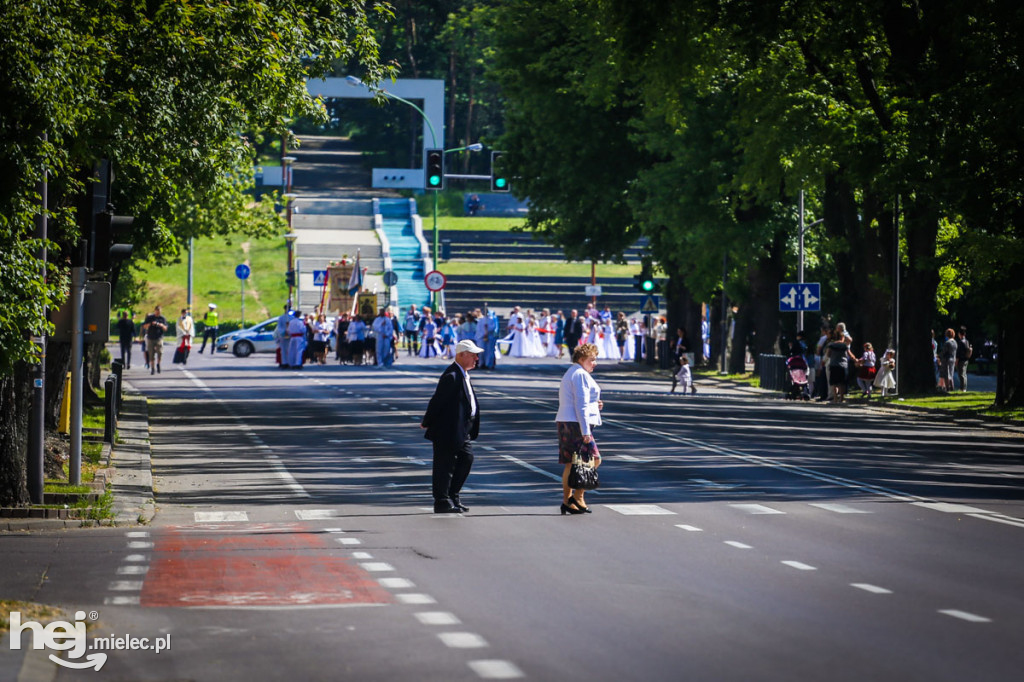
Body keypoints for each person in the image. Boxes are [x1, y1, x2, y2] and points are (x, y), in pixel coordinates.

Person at [421, 339, 485, 514]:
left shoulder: (462, 373)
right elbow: (437, 401)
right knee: (444, 465)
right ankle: (442, 500)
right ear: (461, 355)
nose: (476, 359)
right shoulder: (452, 375)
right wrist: (427, 421)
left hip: (461, 429)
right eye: (473, 355)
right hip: (447, 429)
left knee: (466, 459)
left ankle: (453, 495)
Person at [555, 343, 603, 515]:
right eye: (592, 359)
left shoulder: (573, 372)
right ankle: (578, 496)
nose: (594, 363)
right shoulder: (580, 374)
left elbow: (581, 401)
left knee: (572, 464)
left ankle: (567, 501)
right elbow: (580, 404)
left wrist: (595, 404)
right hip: (575, 423)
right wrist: (586, 432)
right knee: (594, 459)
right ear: (582, 359)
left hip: (567, 421)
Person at [825, 327, 857, 403]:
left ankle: (835, 399)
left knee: (834, 383)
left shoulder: (831, 345)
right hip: (843, 365)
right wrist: (856, 360)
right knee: (842, 383)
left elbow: (828, 354)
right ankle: (841, 398)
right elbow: (850, 355)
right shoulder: (844, 346)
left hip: (834, 365)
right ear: (842, 337)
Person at [141, 305, 168, 375]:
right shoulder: (150, 317)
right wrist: (150, 324)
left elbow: (165, 328)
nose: (158, 312)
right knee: (151, 354)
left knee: (160, 352)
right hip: (150, 337)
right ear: (155, 311)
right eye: (157, 311)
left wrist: (161, 325)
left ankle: (158, 364)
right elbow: (144, 326)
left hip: (159, 337)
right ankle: (152, 368)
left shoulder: (162, 318)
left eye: (159, 311)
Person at [939, 328, 957, 392]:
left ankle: (947, 388)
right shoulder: (955, 342)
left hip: (946, 360)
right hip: (953, 359)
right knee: (951, 374)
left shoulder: (947, 343)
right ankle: (952, 387)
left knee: (946, 374)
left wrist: (939, 356)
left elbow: (944, 352)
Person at [955, 326, 972, 392]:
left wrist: (956, 361)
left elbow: (958, 353)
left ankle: (962, 388)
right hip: (966, 360)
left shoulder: (961, 342)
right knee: (964, 374)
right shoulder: (967, 341)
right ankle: (964, 387)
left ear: (959, 334)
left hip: (961, 360)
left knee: (961, 374)